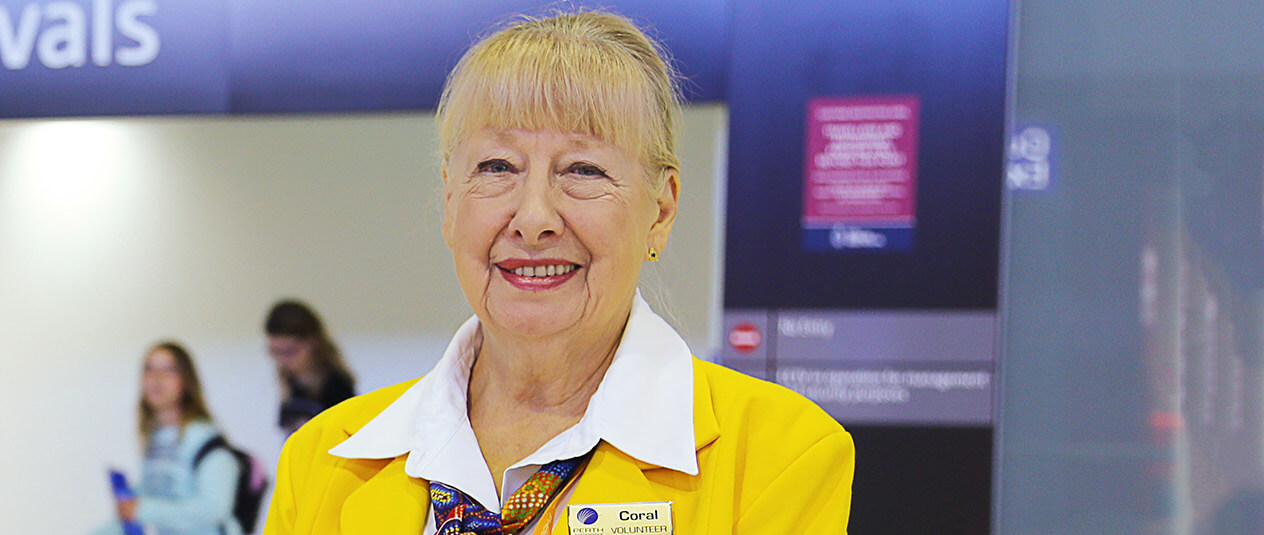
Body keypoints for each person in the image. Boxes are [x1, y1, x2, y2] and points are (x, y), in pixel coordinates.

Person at [264, 11, 854, 534]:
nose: (533, 217)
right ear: (449, 202)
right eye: (497, 166)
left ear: (661, 211)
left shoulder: (781, 455)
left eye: (584, 170)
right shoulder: (323, 460)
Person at [98, 342, 241, 535]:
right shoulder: (154, 438)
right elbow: (156, 493)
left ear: (186, 380)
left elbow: (215, 508)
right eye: (149, 369)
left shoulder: (206, 441)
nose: (157, 379)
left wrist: (143, 510)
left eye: (169, 370)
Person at [264, 300, 355, 434]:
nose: (281, 360)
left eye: (289, 351)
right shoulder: (288, 381)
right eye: (274, 351)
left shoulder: (338, 386)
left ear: (312, 343)